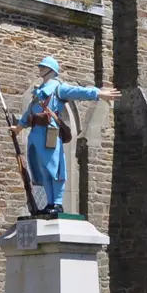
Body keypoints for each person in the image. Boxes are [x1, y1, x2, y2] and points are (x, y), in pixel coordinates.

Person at [13, 56, 118, 217]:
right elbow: (29, 113)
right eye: (40, 66)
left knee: (55, 170)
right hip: (35, 136)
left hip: (49, 133)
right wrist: (19, 127)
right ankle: (50, 202)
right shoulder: (38, 91)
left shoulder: (57, 89)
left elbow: (78, 92)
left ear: (51, 70)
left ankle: (58, 203)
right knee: (43, 171)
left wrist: (98, 93)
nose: (40, 68)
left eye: (43, 66)